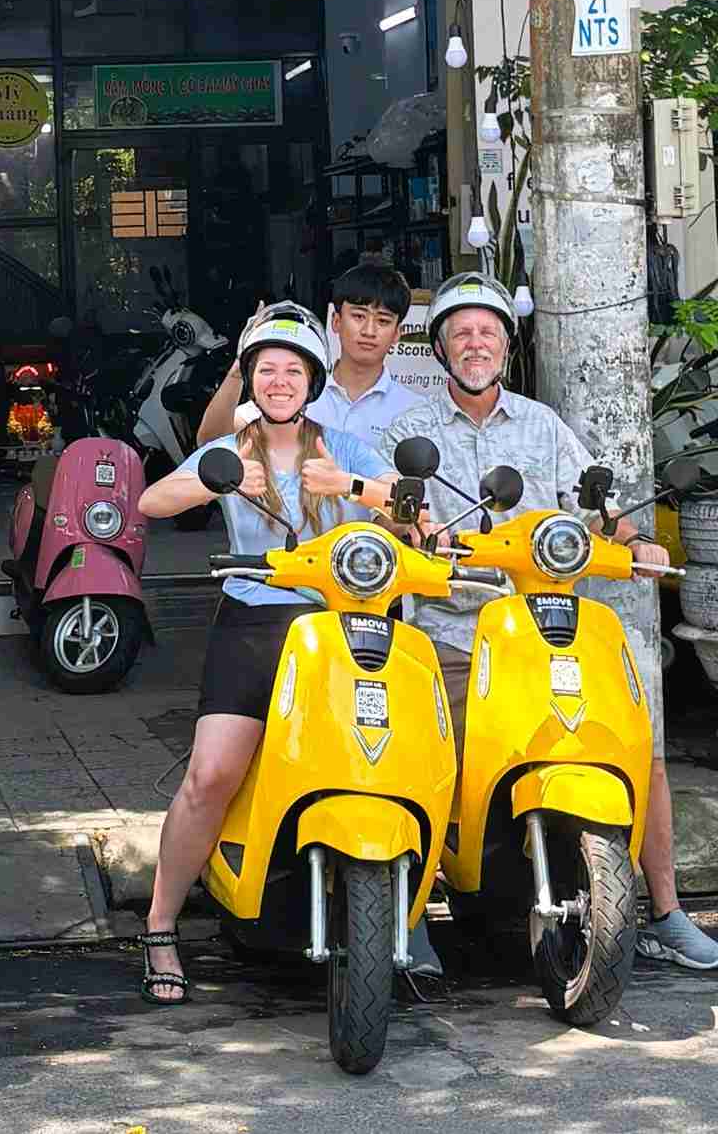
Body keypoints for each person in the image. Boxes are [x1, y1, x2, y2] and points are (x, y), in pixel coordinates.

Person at [381, 272, 718, 971]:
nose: (476, 344)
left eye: (488, 333)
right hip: (451, 633)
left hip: (542, 632)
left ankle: (663, 908)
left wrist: (634, 539)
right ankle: (406, 912)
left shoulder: (542, 424)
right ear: (440, 348)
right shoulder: (409, 429)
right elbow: (393, 511)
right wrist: (417, 527)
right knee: (423, 760)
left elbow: (599, 502)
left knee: (634, 746)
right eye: (462, 333)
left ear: (506, 346)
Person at [133, 304, 401, 1004]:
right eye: (266, 370)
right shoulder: (233, 449)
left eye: (293, 370)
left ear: (312, 379)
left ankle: (383, 923)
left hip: (338, 630)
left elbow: (413, 512)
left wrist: (351, 488)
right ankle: (161, 923)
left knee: (370, 764)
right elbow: (152, 501)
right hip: (252, 625)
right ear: (249, 378)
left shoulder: (346, 446)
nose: (280, 381)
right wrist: (216, 481)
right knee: (212, 773)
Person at [196, 265, 424, 449]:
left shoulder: (414, 411)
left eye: (383, 320)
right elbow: (210, 442)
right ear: (336, 321)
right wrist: (240, 367)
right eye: (358, 315)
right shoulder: (292, 390)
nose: (369, 331)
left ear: (396, 334)